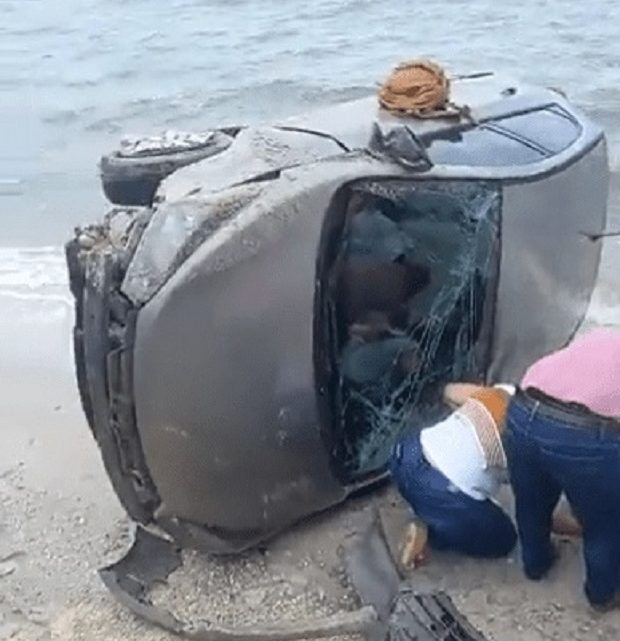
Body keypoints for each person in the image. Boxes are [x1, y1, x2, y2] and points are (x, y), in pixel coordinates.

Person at [504, 327, 620, 610]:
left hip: (521, 411)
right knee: (604, 524)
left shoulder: (603, 335)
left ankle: (535, 563)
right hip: (582, 434)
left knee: (531, 502)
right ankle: (602, 594)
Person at [389, 384, 518, 566]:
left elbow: (450, 390)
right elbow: (540, 515)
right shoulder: (533, 449)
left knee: (438, 500)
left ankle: (429, 511)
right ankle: (429, 532)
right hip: (440, 489)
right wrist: (573, 526)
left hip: (405, 455)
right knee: (503, 539)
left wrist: (468, 424)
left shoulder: (504, 394)